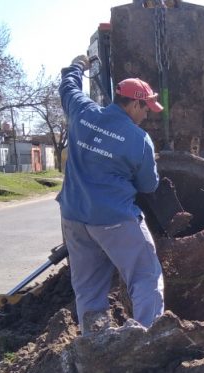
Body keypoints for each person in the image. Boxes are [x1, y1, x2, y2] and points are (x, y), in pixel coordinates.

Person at [57, 54, 166, 334]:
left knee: (89, 288)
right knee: (145, 277)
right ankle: (148, 340)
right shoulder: (139, 140)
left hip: (74, 217)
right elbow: (149, 186)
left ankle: (96, 344)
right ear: (133, 104)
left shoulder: (83, 112)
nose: (147, 115)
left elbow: (68, 87)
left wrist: (78, 66)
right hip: (114, 219)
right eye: (146, 108)